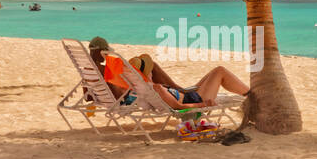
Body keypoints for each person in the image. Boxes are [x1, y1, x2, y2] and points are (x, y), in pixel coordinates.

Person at [87, 36, 248, 108]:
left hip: (178, 94)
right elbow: (118, 95)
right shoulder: (108, 72)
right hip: (190, 99)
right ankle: (251, 95)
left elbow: (88, 97)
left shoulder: (90, 72)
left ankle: (249, 94)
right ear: (104, 52)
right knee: (220, 71)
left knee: (215, 72)